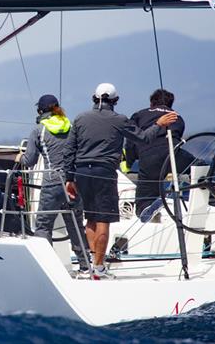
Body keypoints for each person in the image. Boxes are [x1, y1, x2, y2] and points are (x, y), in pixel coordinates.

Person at [64, 83, 178, 279]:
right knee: (103, 220)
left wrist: (69, 178)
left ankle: (90, 267)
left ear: (94, 98)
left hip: (82, 172)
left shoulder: (80, 119)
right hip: (104, 172)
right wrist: (158, 124)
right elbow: (143, 138)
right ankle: (99, 269)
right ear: (115, 101)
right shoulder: (119, 120)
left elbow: (69, 151)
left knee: (90, 219)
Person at [20, 94, 91, 274]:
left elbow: (29, 161)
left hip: (51, 182)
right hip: (72, 181)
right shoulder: (72, 127)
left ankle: (46, 268)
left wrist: (19, 157)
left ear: (41, 111)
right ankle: (85, 265)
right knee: (75, 224)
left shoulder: (39, 131)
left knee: (43, 225)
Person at [126, 89, 187, 217]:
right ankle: (212, 201)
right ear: (171, 103)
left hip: (149, 156)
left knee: (144, 201)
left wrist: (130, 162)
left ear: (151, 103)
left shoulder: (138, 115)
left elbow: (131, 141)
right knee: (202, 167)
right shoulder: (178, 118)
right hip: (174, 154)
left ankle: (145, 207)